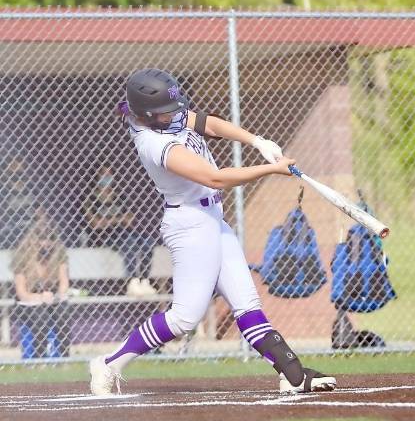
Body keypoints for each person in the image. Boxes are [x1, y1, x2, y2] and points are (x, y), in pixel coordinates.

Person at [89, 68, 336, 395]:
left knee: (247, 303)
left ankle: (293, 374)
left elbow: (207, 123)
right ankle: (110, 363)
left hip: (212, 220)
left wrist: (257, 141)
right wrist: (272, 169)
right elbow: (214, 178)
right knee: (184, 318)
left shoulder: (164, 117)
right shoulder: (151, 141)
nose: (176, 116)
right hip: (190, 225)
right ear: (147, 115)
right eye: (167, 112)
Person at [82, 165, 157, 296]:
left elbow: (130, 219)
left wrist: (108, 220)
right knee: (129, 242)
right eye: (103, 175)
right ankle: (132, 282)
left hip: (123, 232)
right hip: (102, 237)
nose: (107, 178)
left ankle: (144, 281)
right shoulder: (90, 198)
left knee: (147, 241)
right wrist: (119, 219)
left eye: (109, 175)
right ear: (97, 177)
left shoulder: (119, 196)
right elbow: (95, 224)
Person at [11, 207, 71, 358]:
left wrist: (57, 296)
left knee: (63, 313)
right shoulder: (22, 256)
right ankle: (39, 359)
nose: (46, 244)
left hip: (51, 298)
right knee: (41, 317)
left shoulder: (59, 253)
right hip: (28, 303)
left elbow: (64, 283)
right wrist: (39, 298)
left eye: (50, 240)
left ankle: (65, 358)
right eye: (42, 240)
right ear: (33, 239)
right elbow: (21, 293)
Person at [0, 157, 38, 249]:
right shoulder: (3, 195)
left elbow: (42, 218)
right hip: (8, 239)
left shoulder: (35, 193)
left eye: (21, 175)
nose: (18, 180)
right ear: (5, 177)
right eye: (14, 176)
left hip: (32, 238)